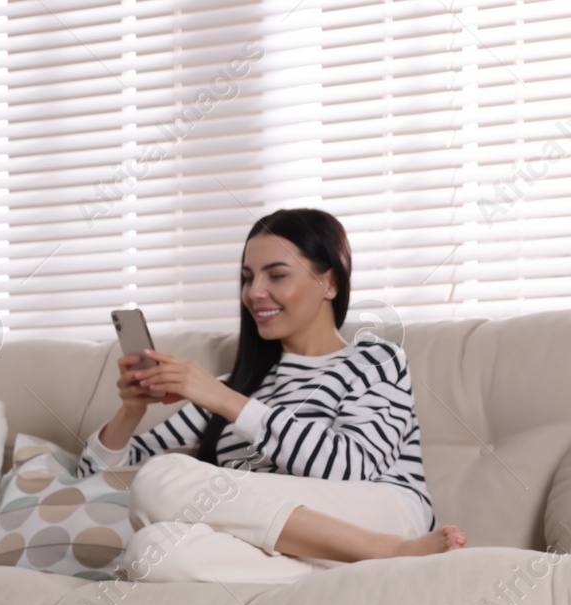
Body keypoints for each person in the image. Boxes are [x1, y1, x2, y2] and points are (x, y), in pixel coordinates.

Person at [76, 207, 466, 584]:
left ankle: (384, 549)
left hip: (381, 512)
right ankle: (349, 569)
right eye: (247, 278)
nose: (255, 292)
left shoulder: (374, 359)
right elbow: (93, 477)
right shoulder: (238, 384)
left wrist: (224, 399)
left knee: (160, 477)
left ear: (329, 282)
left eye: (276, 275)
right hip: (284, 540)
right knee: (150, 551)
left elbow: (353, 466)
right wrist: (130, 411)